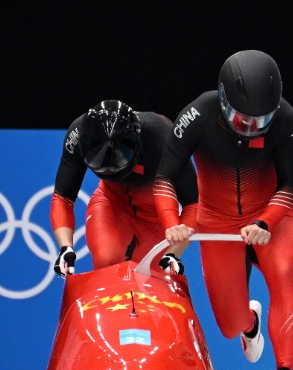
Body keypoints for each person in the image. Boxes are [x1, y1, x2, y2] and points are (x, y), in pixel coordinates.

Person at [154, 50, 293, 370]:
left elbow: (289, 187)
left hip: (271, 213)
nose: (252, 127)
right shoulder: (196, 115)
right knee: (228, 325)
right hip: (216, 219)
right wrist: (171, 224)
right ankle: (249, 323)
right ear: (223, 102)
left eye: (261, 120)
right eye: (242, 118)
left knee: (283, 271)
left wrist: (266, 221)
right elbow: (163, 179)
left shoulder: (287, 121)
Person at [51, 100, 198, 277]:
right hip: (111, 204)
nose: (110, 171)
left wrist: (173, 252)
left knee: (152, 277)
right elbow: (63, 197)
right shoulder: (77, 135)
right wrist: (65, 248)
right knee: (107, 261)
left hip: (156, 216)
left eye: (117, 162)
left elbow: (194, 203)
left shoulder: (163, 137)